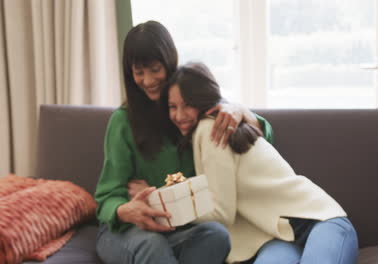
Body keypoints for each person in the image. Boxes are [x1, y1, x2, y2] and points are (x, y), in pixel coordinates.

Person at [94, 21, 273, 264]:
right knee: (151, 244)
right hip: (126, 231)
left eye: (155, 69)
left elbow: (262, 138)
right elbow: (107, 196)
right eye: (139, 72)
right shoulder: (122, 121)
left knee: (217, 235)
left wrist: (240, 110)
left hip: (177, 230)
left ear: (170, 61)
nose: (147, 80)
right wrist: (125, 209)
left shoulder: (192, 106)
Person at [160, 62, 359, 264]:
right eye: (172, 107)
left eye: (187, 105)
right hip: (279, 239)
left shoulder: (212, 129)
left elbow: (221, 213)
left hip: (323, 223)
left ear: (202, 101)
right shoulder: (212, 127)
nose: (179, 115)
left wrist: (170, 210)